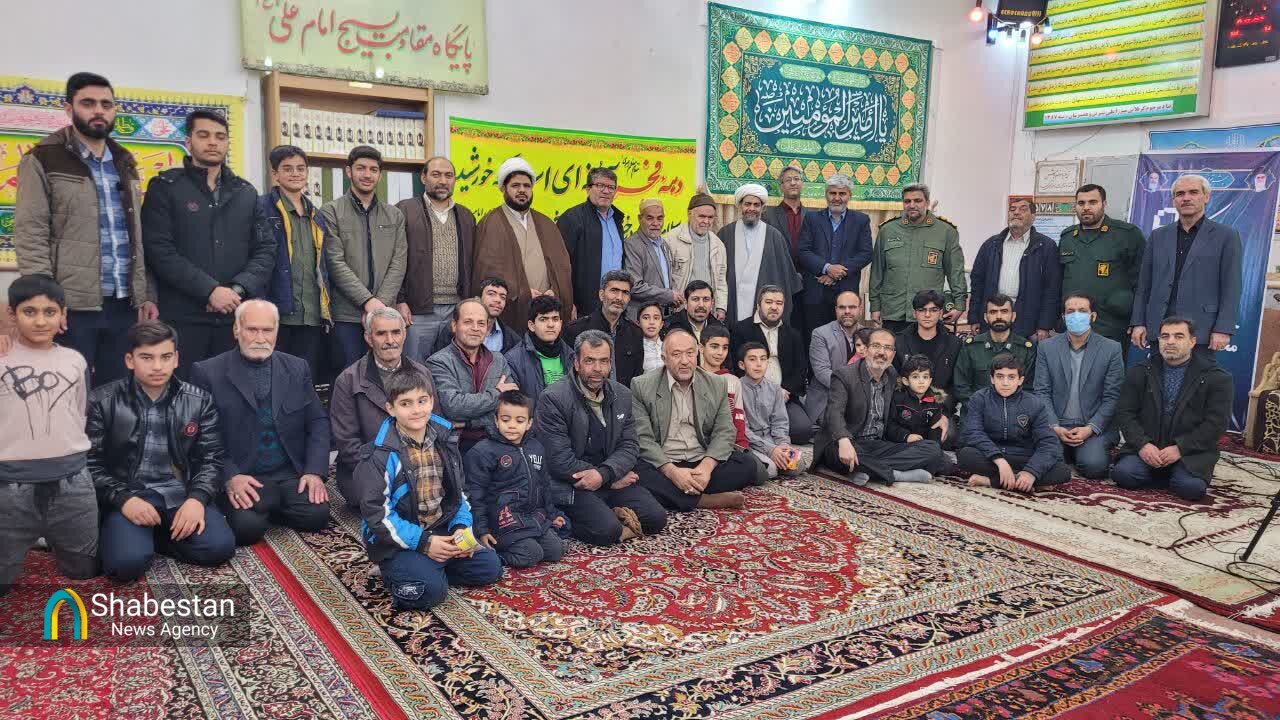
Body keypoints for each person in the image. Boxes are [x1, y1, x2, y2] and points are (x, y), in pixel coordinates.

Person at [14, 72, 157, 386]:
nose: (98, 111)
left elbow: (135, 235)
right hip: (72, 306)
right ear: (69, 108)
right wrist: (46, 302)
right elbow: (30, 233)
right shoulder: (43, 159)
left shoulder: (125, 162)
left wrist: (144, 294)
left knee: (116, 395)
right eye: (88, 103)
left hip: (123, 303)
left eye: (106, 104)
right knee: (69, 392)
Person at [89, 320, 235, 581]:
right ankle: (137, 540)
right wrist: (123, 500)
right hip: (130, 494)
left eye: (165, 357)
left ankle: (153, 536)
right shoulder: (102, 402)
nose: (158, 366)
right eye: (147, 357)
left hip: (178, 494)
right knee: (125, 565)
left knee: (219, 548)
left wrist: (197, 499)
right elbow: (90, 465)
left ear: (176, 359)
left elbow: (211, 459)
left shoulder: (199, 400)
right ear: (130, 360)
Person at [353, 369, 502, 610]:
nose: (416, 410)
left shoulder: (445, 440)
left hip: (438, 526)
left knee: (490, 567)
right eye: (406, 403)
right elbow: (377, 516)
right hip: (397, 538)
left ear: (431, 402)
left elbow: (459, 493)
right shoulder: (380, 455)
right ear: (391, 408)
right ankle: (399, 569)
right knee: (430, 593)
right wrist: (424, 543)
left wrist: (460, 529)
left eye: (422, 401)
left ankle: (430, 567)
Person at [142, 110, 275, 377]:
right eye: (204, 135)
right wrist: (209, 290)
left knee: (232, 394)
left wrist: (236, 289)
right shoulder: (166, 186)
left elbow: (266, 249)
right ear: (188, 141)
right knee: (184, 394)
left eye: (220, 137)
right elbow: (159, 250)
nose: (213, 142)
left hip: (234, 318)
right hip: (183, 317)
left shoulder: (246, 193)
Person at [190, 300, 330, 546]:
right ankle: (266, 504)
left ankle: (268, 502)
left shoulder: (297, 367)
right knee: (247, 529)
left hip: (287, 472)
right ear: (236, 330)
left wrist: (314, 471)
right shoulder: (207, 372)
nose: (260, 338)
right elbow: (203, 437)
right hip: (243, 473)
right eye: (252, 329)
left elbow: (317, 421)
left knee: (316, 515)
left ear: (277, 331)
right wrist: (230, 477)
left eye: (267, 330)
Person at [0, 275, 97, 593]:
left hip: (72, 482)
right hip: (9, 485)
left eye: (49, 312)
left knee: (83, 571)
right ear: (12, 314)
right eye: (29, 312)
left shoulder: (75, 361)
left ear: (63, 315)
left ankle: (50, 536)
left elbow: (80, 412)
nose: (40, 321)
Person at [535, 330, 668, 545]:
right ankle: (562, 519)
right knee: (608, 531)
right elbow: (559, 460)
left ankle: (608, 511)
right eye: (589, 361)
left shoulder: (622, 394)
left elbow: (630, 445)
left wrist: (605, 475)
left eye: (604, 361)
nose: (597, 369)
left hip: (609, 475)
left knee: (656, 518)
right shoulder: (553, 399)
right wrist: (607, 480)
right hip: (572, 483)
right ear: (576, 363)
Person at [630, 329, 759, 511]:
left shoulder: (716, 383)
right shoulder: (642, 385)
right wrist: (672, 472)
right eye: (676, 354)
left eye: (690, 353)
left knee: (747, 464)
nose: (685, 361)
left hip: (700, 459)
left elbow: (725, 431)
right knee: (634, 471)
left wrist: (706, 467)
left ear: (697, 354)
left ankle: (679, 493)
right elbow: (643, 438)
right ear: (664, 358)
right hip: (664, 462)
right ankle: (702, 500)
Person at [1112, 317, 1232, 501]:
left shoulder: (1216, 378)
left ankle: (1171, 474)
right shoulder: (1140, 371)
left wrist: (1180, 449)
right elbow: (1125, 413)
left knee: (1191, 489)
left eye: (1179, 336)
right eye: (1165, 336)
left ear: (1192, 341)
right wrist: (1143, 445)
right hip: (1147, 447)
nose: (1170, 341)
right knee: (1124, 475)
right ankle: (1160, 472)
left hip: (1189, 452)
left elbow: (1216, 424)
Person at [812, 328, 947, 485]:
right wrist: (843, 440)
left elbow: (918, 392)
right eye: (876, 346)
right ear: (866, 350)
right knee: (837, 455)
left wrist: (942, 415)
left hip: (877, 444)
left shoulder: (891, 374)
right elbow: (834, 412)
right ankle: (895, 474)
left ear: (893, 354)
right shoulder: (844, 375)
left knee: (932, 449)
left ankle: (867, 470)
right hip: (846, 440)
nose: (882, 352)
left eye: (887, 348)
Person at [1131, 174, 1242, 356]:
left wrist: (1223, 328)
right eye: (1180, 194)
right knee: (1157, 374)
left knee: (1198, 375)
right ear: (1174, 200)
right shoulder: (1158, 236)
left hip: (1201, 330)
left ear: (1206, 197)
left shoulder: (1226, 236)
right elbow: (1144, 284)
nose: (1186, 198)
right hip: (1160, 328)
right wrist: (1138, 322)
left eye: (1193, 192)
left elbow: (1232, 287)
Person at [330, 307, 430, 505]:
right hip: (366, 469)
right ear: (368, 338)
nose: (390, 340)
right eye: (381, 333)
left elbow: (434, 426)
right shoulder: (348, 380)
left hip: (416, 465)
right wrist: (388, 473)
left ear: (404, 335)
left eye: (396, 332)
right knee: (383, 500)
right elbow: (347, 442)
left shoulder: (422, 374)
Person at [322, 146, 408, 369]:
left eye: (373, 169)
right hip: (347, 315)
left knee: (386, 376)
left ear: (380, 174)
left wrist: (379, 306)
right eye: (361, 168)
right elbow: (334, 262)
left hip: (386, 315)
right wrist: (367, 302)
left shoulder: (394, 215)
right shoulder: (331, 211)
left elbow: (399, 262)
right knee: (348, 377)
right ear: (348, 171)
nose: (367, 174)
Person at [464, 390, 566, 568]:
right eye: (505, 420)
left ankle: (529, 540)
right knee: (531, 553)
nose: (511, 425)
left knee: (556, 550)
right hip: (503, 522)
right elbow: (474, 494)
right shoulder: (483, 451)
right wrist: (481, 530)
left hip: (533, 517)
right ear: (496, 420)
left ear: (529, 423)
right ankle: (499, 557)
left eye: (519, 421)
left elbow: (544, 486)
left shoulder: (536, 447)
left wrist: (552, 515)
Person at [472, 157, 574, 329]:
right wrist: (523, 293)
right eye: (515, 185)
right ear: (503, 188)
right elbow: (487, 271)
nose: (522, 190)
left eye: (527, 186)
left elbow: (563, 267)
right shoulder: (490, 223)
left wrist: (555, 290)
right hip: (511, 311)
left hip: (545, 309)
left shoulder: (546, 223)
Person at [1032, 293, 1125, 479]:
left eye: (1082, 311)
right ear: (1064, 317)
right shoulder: (1047, 347)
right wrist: (1055, 426)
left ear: (1093, 316)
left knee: (1094, 467)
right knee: (1048, 461)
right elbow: (1042, 391)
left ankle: (1079, 452)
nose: (1076, 315)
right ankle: (1064, 452)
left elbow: (1112, 396)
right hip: (1057, 424)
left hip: (1091, 427)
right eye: (1070, 311)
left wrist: (1090, 428)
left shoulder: (1111, 349)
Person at [261, 145, 332, 376]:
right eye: (288, 168)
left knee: (304, 377)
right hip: (277, 312)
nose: (295, 173)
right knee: (272, 376)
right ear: (275, 174)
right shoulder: (261, 209)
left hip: (311, 314)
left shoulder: (317, 215)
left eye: (301, 168)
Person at [395, 156, 476, 361]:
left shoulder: (466, 216)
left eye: (449, 175)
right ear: (423, 178)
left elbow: (472, 263)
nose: (443, 181)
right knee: (414, 368)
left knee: (452, 367)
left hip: (456, 309)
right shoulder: (404, 210)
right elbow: (392, 259)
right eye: (436, 175)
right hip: (417, 310)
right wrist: (400, 300)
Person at [959, 354, 1070, 493]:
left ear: (1020, 380)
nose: (1005, 383)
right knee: (965, 455)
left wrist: (1031, 472)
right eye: (1000, 377)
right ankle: (1025, 483)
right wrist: (999, 460)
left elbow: (1048, 442)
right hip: (991, 456)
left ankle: (990, 481)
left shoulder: (1034, 404)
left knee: (1062, 471)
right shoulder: (979, 398)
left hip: (1023, 457)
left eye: (1011, 377)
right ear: (992, 379)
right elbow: (973, 433)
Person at [870, 184, 967, 334]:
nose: (912, 205)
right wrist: (875, 306)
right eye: (907, 201)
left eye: (917, 200)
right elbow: (877, 272)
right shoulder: (887, 230)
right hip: (894, 311)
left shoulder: (945, 232)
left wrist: (959, 305)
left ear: (927, 202)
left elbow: (955, 272)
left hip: (928, 312)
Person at [1058, 184, 1145, 345]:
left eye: (1093, 202)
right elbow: (1058, 281)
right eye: (1081, 203)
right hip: (1072, 325)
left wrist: (1138, 321)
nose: (1086, 207)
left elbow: (1143, 283)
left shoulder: (1127, 234)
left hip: (1112, 326)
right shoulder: (1068, 237)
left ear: (1104, 204)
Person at [428, 299, 519, 454]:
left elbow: (510, 410)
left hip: (497, 442)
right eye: (468, 322)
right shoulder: (439, 362)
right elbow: (454, 407)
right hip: (457, 447)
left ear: (487, 328)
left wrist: (468, 423)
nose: (475, 328)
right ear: (454, 325)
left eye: (481, 323)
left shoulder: (499, 360)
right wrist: (497, 393)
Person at [967, 196, 1060, 340]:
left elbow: (1052, 289)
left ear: (1033, 217)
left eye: (1023, 209)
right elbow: (977, 283)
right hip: (994, 317)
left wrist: (1044, 325)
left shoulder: (1046, 247)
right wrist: (974, 317)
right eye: (1012, 209)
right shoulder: (990, 245)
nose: (1016, 212)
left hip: (1028, 321)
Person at [730, 285, 812, 444]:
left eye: (779, 303)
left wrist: (784, 390)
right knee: (746, 428)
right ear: (758, 304)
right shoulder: (740, 329)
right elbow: (736, 365)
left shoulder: (793, 334)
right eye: (768, 302)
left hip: (784, 396)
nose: (774, 307)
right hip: (750, 395)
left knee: (802, 430)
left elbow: (801, 369)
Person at [797, 174, 873, 338]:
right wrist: (827, 268)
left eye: (842, 194)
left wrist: (837, 273)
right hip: (816, 291)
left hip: (846, 293)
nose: (837, 198)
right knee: (814, 338)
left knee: (845, 339)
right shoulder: (812, 218)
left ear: (849, 195)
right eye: (832, 193)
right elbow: (803, 251)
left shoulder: (861, 220)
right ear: (826, 195)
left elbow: (866, 253)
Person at [720, 183, 801, 324]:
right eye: (747, 204)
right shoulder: (725, 234)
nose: (751, 209)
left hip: (765, 311)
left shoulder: (775, 236)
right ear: (740, 206)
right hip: (732, 307)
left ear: (762, 208)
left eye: (756, 205)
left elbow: (785, 277)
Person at [557, 167, 626, 318]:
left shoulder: (617, 220)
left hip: (614, 304)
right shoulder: (572, 218)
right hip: (583, 306)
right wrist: (568, 301)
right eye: (600, 185)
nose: (606, 191)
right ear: (588, 189)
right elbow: (559, 265)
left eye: (611, 187)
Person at [954, 293, 1037, 410]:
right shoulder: (971, 347)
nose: (999, 316)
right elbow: (961, 387)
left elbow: (1029, 389)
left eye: (1004, 311)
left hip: (1013, 413)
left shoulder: (1026, 349)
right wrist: (984, 410)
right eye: (993, 312)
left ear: (1013, 316)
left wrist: (1006, 412)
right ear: (985, 317)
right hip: (976, 411)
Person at [564, 270, 645, 386]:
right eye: (614, 291)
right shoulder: (576, 330)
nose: (619, 298)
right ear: (601, 295)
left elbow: (637, 378)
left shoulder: (635, 333)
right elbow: (569, 376)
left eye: (625, 293)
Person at [738, 342, 802, 479]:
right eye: (752, 359)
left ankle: (776, 461)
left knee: (797, 465)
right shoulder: (736, 388)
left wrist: (783, 446)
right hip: (750, 443)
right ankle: (767, 464)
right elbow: (743, 429)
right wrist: (771, 450)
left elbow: (780, 422)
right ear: (742, 365)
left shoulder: (775, 388)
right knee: (770, 470)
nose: (758, 364)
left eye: (763, 359)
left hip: (771, 440)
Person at [665, 192, 728, 323]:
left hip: (707, 312)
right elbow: (665, 279)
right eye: (702, 216)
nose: (706, 221)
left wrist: (721, 308)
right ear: (689, 214)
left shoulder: (718, 244)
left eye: (710, 217)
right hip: (679, 310)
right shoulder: (671, 240)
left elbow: (721, 280)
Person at [806, 290, 867, 423]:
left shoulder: (870, 335)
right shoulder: (820, 334)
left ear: (861, 309)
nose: (847, 311)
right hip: (827, 398)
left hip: (862, 400)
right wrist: (852, 390)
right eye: (842, 307)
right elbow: (822, 372)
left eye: (852, 307)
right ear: (836, 310)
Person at [504, 294, 573, 407]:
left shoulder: (572, 356)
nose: (551, 325)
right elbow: (513, 405)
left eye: (555, 319)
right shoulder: (513, 360)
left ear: (560, 323)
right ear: (531, 325)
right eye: (543, 319)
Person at [428, 277, 521, 357]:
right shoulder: (454, 329)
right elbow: (438, 360)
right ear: (478, 298)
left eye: (503, 297)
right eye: (491, 294)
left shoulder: (511, 338)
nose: (498, 300)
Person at [894, 290, 962, 398]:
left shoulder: (954, 344)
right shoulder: (899, 342)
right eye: (922, 310)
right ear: (914, 313)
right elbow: (895, 380)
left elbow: (957, 384)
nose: (927, 315)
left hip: (941, 403)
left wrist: (944, 407)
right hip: (906, 404)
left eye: (933, 310)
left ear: (941, 313)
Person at [625, 198, 682, 320]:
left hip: (663, 316)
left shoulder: (663, 244)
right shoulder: (632, 244)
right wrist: (668, 295)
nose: (655, 223)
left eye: (659, 218)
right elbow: (635, 286)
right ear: (640, 219)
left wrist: (673, 297)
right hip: (641, 317)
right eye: (650, 218)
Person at [700, 325, 753, 457]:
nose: (720, 352)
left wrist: (742, 446)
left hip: (729, 444)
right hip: (699, 446)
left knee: (758, 467)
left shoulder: (733, 381)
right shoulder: (694, 377)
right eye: (714, 346)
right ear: (701, 348)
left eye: (725, 347)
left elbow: (738, 417)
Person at [886, 355, 953, 447]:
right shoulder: (898, 399)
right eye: (915, 377)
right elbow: (890, 425)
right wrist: (906, 436)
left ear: (930, 381)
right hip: (901, 443)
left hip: (924, 446)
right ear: (906, 381)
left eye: (925, 377)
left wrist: (933, 444)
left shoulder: (935, 402)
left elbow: (935, 427)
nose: (921, 381)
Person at [763, 165, 808, 265]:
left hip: (806, 271)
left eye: (796, 179)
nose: (793, 183)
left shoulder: (812, 216)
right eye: (788, 180)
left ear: (802, 184)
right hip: (779, 270)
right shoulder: (767, 216)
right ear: (781, 187)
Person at [637, 302, 665, 373]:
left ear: (661, 324)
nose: (651, 322)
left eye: (656, 318)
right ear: (638, 323)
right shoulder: (634, 348)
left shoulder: (669, 346)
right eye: (646, 318)